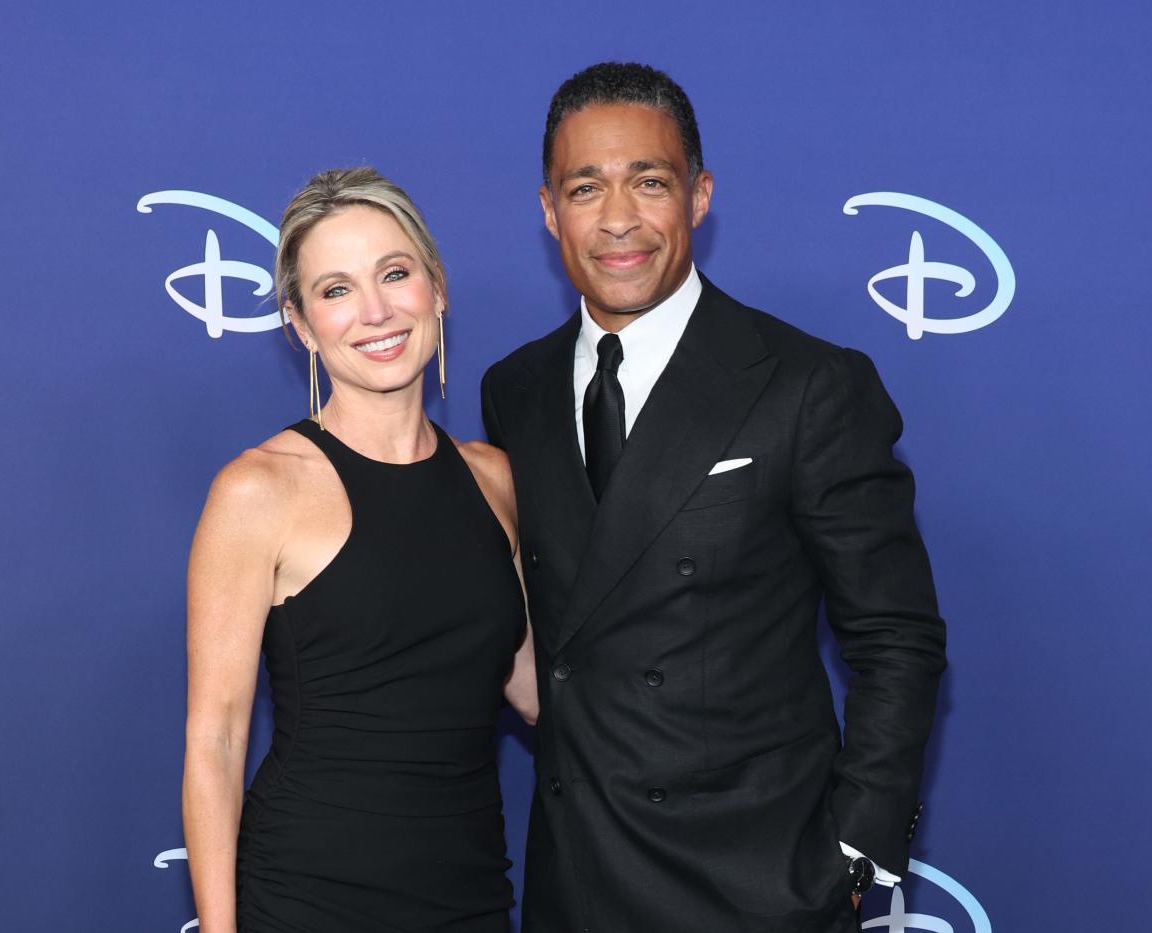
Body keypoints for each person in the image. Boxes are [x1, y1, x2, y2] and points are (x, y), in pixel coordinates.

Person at [481, 63, 947, 933]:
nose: (618, 219)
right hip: (577, 879)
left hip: (759, 882)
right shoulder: (517, 389)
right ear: (549, 210)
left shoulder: (807, 384)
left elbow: (895, 635)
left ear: (699, 196)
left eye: (648, 182)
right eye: (586, 187)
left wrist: (852, 858)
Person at [183, 167, 537, 933]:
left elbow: (541, 690)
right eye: (336, 290)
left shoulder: (495, 479)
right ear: (301, 324)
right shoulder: (258, 489)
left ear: (436, 288)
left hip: (471, 894)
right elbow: (216, 738)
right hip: (310, 896)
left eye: (396, 273)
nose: (375, 311)